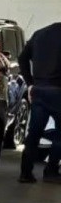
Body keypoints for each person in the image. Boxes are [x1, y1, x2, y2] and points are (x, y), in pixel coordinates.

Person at [18, 20, 61, 183]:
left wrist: (30, 83)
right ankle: (51, 171)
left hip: (39, 91)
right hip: (58, 92)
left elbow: (22, 58)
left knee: (34, 133)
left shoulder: (40, 33)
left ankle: (25, 173)